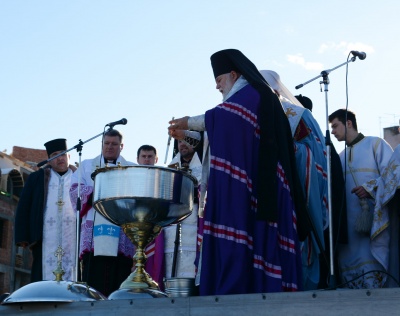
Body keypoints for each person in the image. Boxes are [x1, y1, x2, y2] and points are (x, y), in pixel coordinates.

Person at [168, 49, 310, 295]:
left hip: (258, 185)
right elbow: (222, 141)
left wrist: (189, 121)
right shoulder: (245, 96)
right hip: (250, 182)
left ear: (234, 74)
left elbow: (226, 119)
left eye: (219, 81)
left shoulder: (253, 93)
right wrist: (188, 136)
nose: (217, 87)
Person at [260, 70, 328, 290]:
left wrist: (290, 151)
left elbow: (317, 155)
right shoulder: (255, 114)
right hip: (269, 190)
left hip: (298, 188)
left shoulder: (298, 115)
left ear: (277, 90)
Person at [329, 109, 393, 288]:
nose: (332, 131)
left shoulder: (375, 144)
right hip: (347, 229)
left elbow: (392, 175)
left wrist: (370, 188)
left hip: (372, 223)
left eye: (335, 126)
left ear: (348, 123)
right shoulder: (339, 158)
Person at [69, 129, 135, 296]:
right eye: (106, 143)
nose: (110, 147)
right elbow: (74, 191)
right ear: (102, 144)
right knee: (93, 281)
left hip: (120, 230)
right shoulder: (86, 166)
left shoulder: (132, 168)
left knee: (119, 279)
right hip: (94, 237)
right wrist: (98, 190)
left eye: (114, 144)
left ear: (122, 146)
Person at [15, 138, 77, 282]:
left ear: (69, 156)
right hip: (44, 239)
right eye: (54, 155)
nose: (60, 158)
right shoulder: (37, 178)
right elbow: (24, 205)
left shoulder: (80, 177)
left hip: (73, 239)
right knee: (42, 274)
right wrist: (22, 237)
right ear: (48, 160)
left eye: (62, 153)